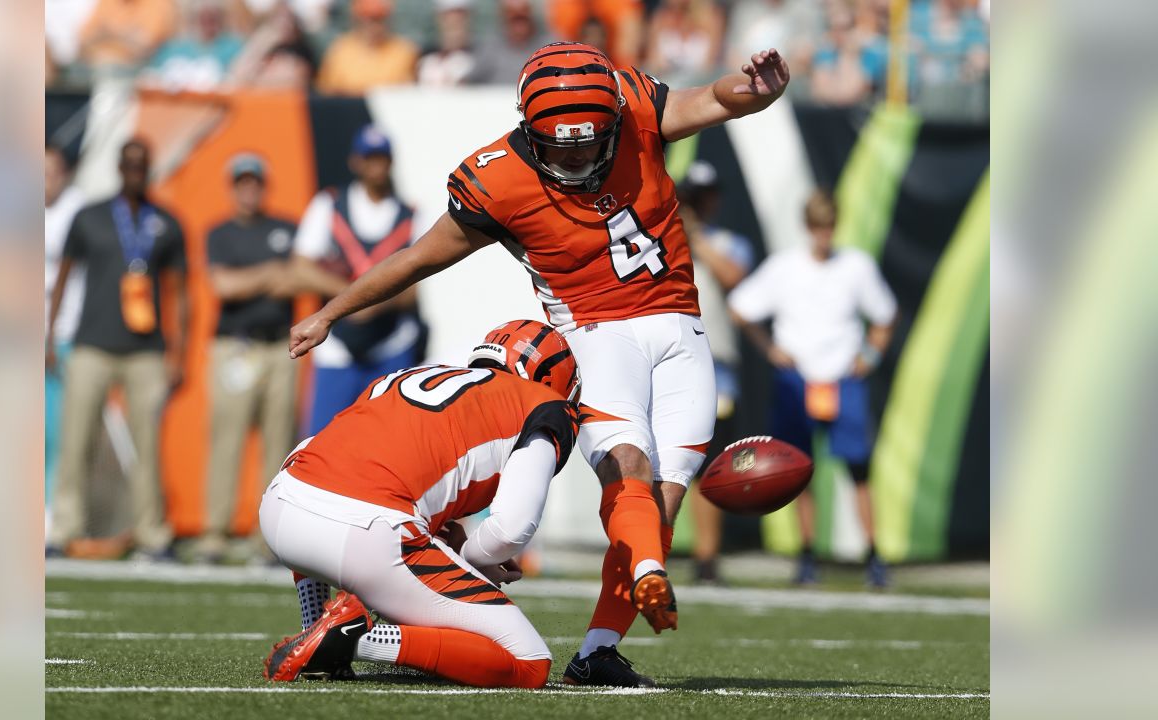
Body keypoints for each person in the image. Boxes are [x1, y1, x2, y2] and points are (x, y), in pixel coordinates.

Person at [287, 41, 791, 687]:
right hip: (593, 332)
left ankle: (599, 651)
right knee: (628, 467)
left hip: (679, 325)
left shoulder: (635, 108)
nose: (579, 158)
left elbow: (717, 98)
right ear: (530, 132)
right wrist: (332, 310)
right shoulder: (498, 177)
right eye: (562, 147)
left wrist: (761, 91)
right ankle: (380, 605)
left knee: (659, 511)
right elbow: (417, 257)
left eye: (591, 143)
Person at [260, 320, 582, 688]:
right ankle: (353, 641)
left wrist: (453, 544)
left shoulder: (409, 376)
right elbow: (510, 531)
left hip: (280, 504)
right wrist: (472, 562)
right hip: (366, 533)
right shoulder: (543, 404)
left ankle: (313, 624)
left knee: (330, 484)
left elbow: (322, 450)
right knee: (529, 663)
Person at [729, 189, 896, 588]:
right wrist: (770, 349)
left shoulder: (856, 266)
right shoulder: (784, 267)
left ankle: (873, 555)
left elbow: (885, 316)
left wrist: (868, 359)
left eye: (830, 227)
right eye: (818, 227)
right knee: (798, 471)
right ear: (808, 227)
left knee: (859, 470)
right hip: (798, 380)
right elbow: (740, 308)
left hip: (842, 379)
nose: (824, 235)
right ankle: (807, 555)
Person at [46, 138, 189, 561]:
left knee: (147, 443)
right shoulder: (89, 217)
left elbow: (179, 293)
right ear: (118, 168)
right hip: (91, 344)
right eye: (127, 164)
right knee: (77, 440)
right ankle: (65, 527)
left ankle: (152, 533)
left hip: (145, 350)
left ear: (149, 169)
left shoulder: (166, 221)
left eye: (141, 165)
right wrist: (51, 334)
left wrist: (177, 352)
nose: (134, 171)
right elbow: (64, 277)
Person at [196, 154, 327, 564]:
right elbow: (224, 286)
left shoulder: (286, 228)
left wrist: (257, 278)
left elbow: (298, 278)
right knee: (227, 439)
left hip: (281, 346)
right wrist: (271, 273)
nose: (248, 189)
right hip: (235, 346)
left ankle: (265, 536)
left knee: (278, 441)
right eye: (242, 182)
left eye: (254, 182)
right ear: (232, 187)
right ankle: (215, 532)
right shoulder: (220, 233)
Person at [292, 125, 425, 437]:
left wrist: (373, 303)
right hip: (337, 346)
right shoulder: (330, 204)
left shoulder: (411, 214)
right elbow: (300, 267)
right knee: (320, 441)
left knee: (390, 443)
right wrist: (353, 297)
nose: (376, 166)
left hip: (391, 345)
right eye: (369, 158)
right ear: (356, 162)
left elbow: (415, 289)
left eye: (382, 158)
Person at [675, 160, 755, 585]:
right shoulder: (665, 242)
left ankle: (707, 558)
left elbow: (734, 277)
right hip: (670, 367)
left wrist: (697, 239)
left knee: (710, 469)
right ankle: (653, 551)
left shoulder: (727, 243)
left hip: (717, 371)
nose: (699, 204)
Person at [45, 145, 87, 538]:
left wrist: (51, 333)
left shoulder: (78, 210)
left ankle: (53, 512)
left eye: (51, 172)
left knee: (59, 431)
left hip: (64, 334)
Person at [314, 0, 418, 96]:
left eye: (378, 19)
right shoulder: (340, 49)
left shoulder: (404, 50)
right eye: (366, 18)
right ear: (356, 19)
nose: (372, 25)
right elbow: (326, 91)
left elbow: (409, 93)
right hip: (349, 111)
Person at [467, 0, 551, 85]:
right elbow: (469, 82)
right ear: (504, 19)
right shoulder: (490, 47)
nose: (519, 26)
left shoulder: (547, 48)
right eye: (514, 20)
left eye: (523, 19)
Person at [417, 0, 476, 87]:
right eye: (447, 15)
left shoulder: (481, 59)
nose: (454, 20)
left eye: (460, 14)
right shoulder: (425, 59)